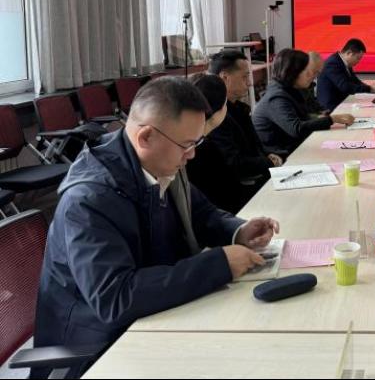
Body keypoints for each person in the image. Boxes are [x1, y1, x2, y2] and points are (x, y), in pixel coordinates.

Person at [33, 77, 279, 376]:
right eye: (187, 145)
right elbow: (115, 298)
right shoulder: (89, 200)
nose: (192, 155)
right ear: (146, 137)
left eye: (197, 143)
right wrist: (219, 263)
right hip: (97, 346)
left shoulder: (159, 162)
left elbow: (200, 213)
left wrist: (238, 230)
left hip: (155, 315)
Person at [186, 63, 277, 213]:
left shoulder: (193, 143)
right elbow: (228, 194)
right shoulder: (204, 148)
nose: (249, 82)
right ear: (220, 108)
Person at [253, 49, 355, 155]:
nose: (312, 76)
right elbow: (297, 129)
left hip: (296, 148)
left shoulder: (292, 90)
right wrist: (332, 119)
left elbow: (305, 117)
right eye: (307, 71)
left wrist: (320, 118)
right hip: (283, 156)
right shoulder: (276, 97)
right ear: (293, 72)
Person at [316, 38, 375, 112]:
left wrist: (370, 88)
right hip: (331, 107)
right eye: (358, 58)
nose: (358, 61)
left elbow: (355, 80)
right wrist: (369, 89)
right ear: (349, 53)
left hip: (341, 102)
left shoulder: (343, 62)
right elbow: (345, 86)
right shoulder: (333, 63)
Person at [303, 51, 327, 116]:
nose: (315, 76)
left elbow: (312, 104)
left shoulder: (310, 84)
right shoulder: (297, 86)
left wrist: (324, 111)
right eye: (314, 72)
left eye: (318, 73)